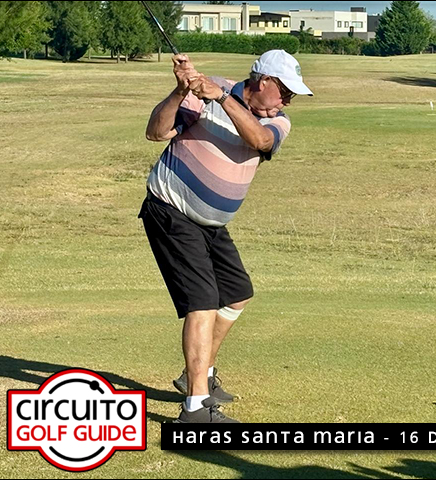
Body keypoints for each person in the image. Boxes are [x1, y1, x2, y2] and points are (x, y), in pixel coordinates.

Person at [139, 50, 313, 423]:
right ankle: (196, 409)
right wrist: (180, 92)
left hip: (211, 224)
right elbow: (156, 132)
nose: (287, 101)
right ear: (263, 81)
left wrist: (220, 98)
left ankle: (198, 374)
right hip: (170, 210)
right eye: (284, 91)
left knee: (236, 293)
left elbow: (260, 141)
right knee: (202, 302)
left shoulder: (277, 121)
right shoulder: (206, 91)